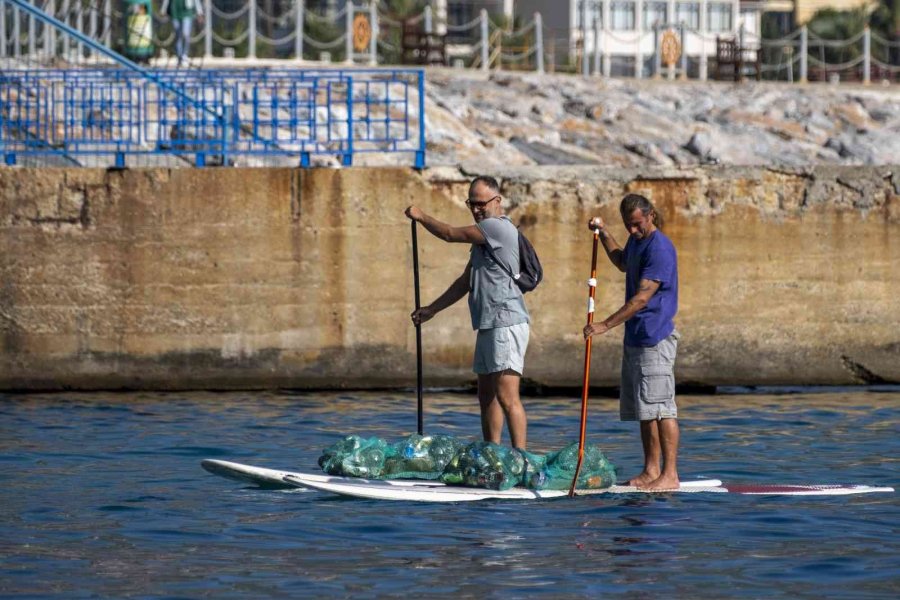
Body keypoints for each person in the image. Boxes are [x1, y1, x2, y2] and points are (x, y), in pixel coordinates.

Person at [405, 176, 530, 449]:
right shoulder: (482, 239)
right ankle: (493, 454)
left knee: (508, 397)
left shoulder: (498, 228)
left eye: (481, 204)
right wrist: (432, 310)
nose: (475, 209)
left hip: (506, 321)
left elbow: (449, 234)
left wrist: (421, 216)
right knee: (486, 396)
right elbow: (465, 282)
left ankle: (522, 461)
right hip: (488, 323)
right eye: (471, 204)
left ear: (497, 201)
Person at [583, 194, 681, 491]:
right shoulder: (637, 242)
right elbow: (622, 261)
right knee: (644, 407)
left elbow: (641, 299)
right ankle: (651, 471)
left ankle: (670, 475)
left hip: (655, 336)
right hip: (636, 336)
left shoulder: (660, 248)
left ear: (650, 215)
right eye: (628, 226)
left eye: (637, 224)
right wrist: (603, 234)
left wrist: (604, 325)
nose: (633, 231)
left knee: (662, 408)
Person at [160, 0, 204, 66]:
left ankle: (185, 55)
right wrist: (163, 9)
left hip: (187, 11)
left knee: (186, 34)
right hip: (175, 11)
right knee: (178, 36)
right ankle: (179, 57)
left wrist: (199, 12)